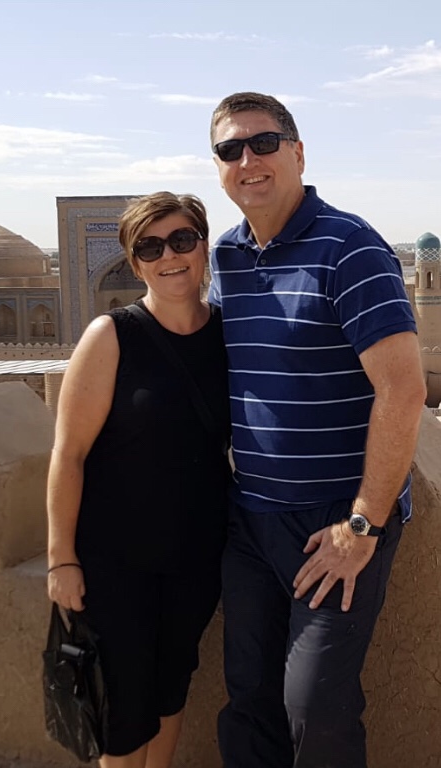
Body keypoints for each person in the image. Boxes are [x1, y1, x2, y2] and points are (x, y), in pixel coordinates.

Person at [207, 91, 427, 768]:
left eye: (264, 143)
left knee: (314, 707)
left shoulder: (349, 247)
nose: (248, 159)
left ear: (298, 153)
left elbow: (403, 390)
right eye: (230, 149)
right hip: (253, 520)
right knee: (250, 699)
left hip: (337, 520)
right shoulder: (225, 257)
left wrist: (362, 525)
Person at [46, 191, 230, 768]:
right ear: (134, 262)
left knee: (172, 684)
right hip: (116, 561)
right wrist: (61, 558)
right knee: (125, 708)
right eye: (150, 248)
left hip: (196, 554)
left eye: (181, 240)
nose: (168, 256)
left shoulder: (228, 335)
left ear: (203, 245)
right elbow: (69, 453)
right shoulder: (111, 335)